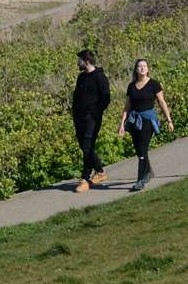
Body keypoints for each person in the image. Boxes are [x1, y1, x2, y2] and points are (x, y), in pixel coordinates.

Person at [117, 59, 173, 191]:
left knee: (142, 150)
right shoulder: (131, 86)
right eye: (139, 66)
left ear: (148, 69)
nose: (142, 68)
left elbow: (162, 102)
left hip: (148, 120)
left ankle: (140, 180)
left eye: (144, 66)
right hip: (134, 121)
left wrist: (169, 120)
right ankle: (148, 172)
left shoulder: (154, 84)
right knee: (139, 151)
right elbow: (127, 107)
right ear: (136, 69)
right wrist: (122, 125)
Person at [71, 49, 111, 192]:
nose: (78, 63)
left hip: (92, 119)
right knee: (85, 147)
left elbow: (106, 98)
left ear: (86, 61)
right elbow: (76, 98)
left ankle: (85, 179)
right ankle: (100, 172)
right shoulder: (81, 77)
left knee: (87, 146)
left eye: (79, 60)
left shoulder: (100, 77)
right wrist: (75, 115)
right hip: (79, 118)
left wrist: (94, 113)